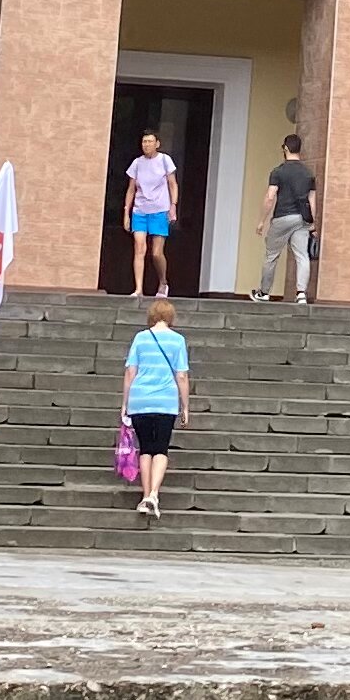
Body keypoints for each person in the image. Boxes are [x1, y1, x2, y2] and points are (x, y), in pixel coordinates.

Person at [122, 296, 192, 520]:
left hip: (140, 399)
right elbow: (181, 375)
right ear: (171, 316)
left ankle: (145, 496)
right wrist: (185, 406)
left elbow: (130, 372)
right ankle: (154, 493)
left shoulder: (141, 338)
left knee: (145, 449)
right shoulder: (178, 340)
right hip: (165, 401)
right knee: (161, 449)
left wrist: (125, 403)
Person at [117, 129, 179, 297]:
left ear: (157, 144)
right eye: (144, 142)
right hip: (140, 211)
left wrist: (173, 206)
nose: (146, 145)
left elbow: (172, 184)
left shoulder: (165, 160)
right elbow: (131, 189)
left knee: (156, 253)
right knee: (139, 248)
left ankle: (163, 281)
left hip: (159, 210)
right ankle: (138, 289)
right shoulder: (137, 163)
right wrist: (126, 212)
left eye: (150, 141)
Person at [257, 133, 316, 303]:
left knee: (271, 255)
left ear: (286, 148)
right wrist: (314, 223)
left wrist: (262, 221)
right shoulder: (308, 173)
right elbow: (312, 201)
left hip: (282, 217)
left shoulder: (278, 172)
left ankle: (264, 293)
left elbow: (270, 197)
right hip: (302, 219)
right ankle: (301, 294)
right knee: (302, 255)